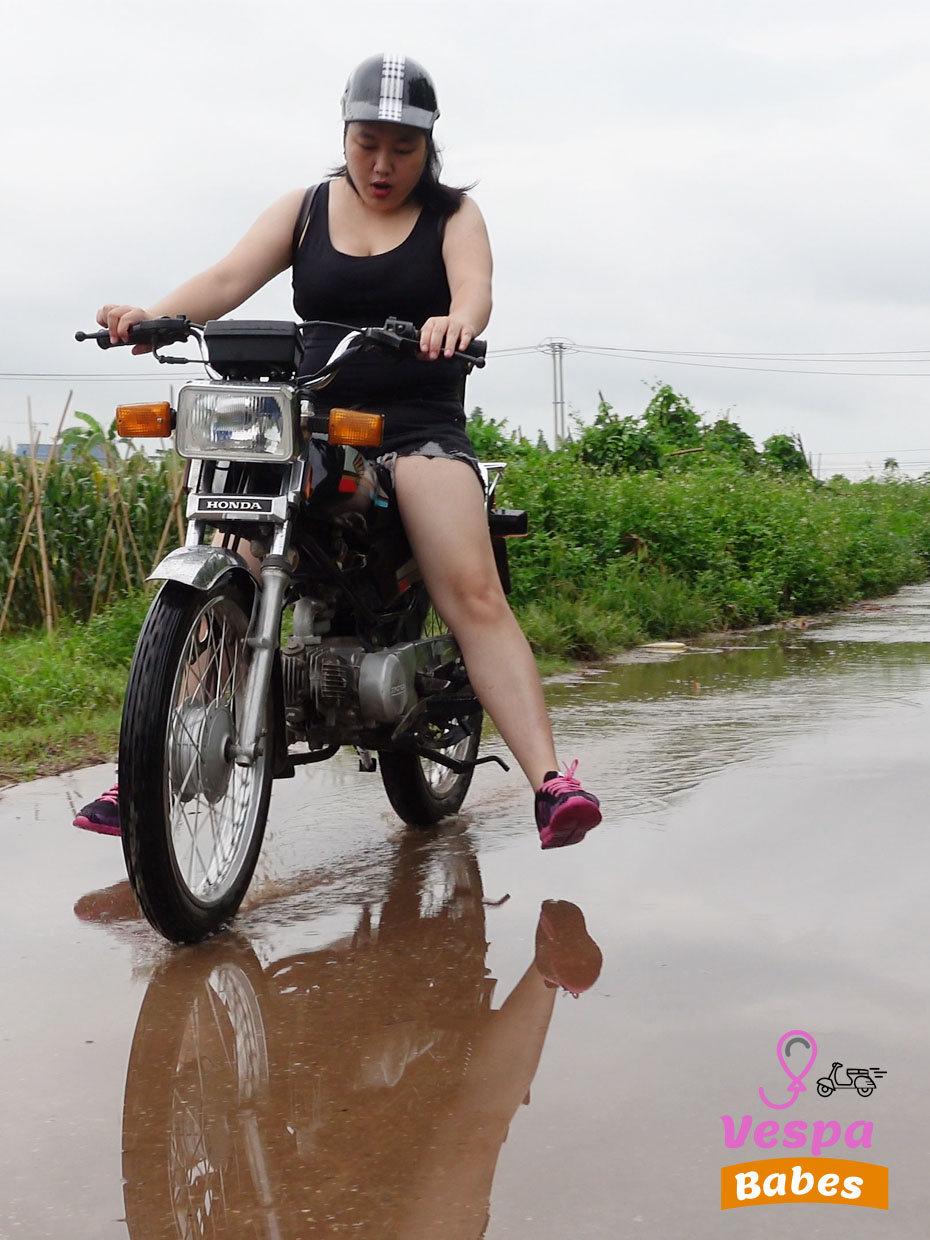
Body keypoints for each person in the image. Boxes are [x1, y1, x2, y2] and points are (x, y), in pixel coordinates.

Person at [73, 53, 602, 849]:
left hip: (416, 425)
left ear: (429, 147)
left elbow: (475, 290)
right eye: (366, 145)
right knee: (235, 552)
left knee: (471, 592)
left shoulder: (454, 216)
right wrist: (151, 317)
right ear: (344, 136)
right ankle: (149, 764)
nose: (382, 165)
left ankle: (551, 784)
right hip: (313, 419)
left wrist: (457, 322)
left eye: (402, 148)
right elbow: (227, 277)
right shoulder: (305, 210)